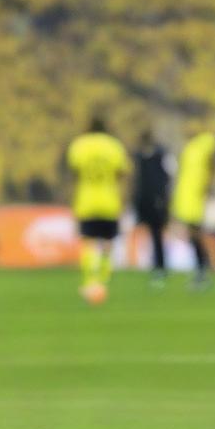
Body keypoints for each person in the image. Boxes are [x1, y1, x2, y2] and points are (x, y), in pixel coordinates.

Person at [67, 116, 131, 298]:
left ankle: (89, 280)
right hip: (109, 200)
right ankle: (104, 277)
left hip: (86, 200)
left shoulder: (79, 145)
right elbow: (122, 172)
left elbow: (75, 171)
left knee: (88, 241)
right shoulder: (114, 146)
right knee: (108, 241)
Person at [171, 127, 215, 290]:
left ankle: (203, 271)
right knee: (193, 234)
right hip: (188, 195)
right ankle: (201, 270)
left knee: (196, 234)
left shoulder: (202, 144)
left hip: (192, 196)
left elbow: (213, 160)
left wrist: (209, 181)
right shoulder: (191, 148)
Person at [133, 130, 171, 285]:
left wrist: (163, 198)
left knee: (157, 235)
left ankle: (160, 267)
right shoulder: (141, 158)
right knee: (151, 235)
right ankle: (155, 266)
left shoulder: (159, 156)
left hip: (156, 201)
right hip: (146, 201)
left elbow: (165, 178)